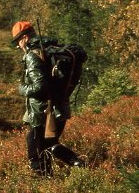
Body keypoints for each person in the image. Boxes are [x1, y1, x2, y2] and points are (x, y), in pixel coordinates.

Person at [11, 21, 84, 176]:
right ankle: (77, 163)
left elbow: (40, 87)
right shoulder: (50, 51)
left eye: (18, 41)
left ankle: (46, 184)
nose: (18, 46)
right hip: (59, 109)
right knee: (49, 145)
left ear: (24, 38)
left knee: (35, 155)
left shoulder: (32, 55)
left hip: (41, 114)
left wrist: (22, 88)